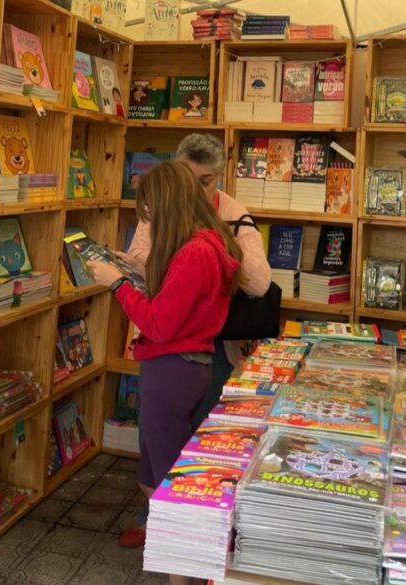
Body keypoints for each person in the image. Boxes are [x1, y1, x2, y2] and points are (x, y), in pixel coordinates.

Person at [88, 160, 242, 585]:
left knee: (171, 488)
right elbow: (178, 298)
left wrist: (116, 285)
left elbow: (158, 323)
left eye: (150, 211)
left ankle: (183, 574)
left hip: (171, 369)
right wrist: (134, 271)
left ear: (168, 205)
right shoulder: (204, 244)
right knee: (157, 476)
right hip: (183, 366)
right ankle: (182, 563)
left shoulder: (194, 251)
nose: (148, 219)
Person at [115, 133, 271, 548]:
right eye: (189, 178)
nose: (196, 189)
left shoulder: (232, 218)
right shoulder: (161, 213)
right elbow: (138, 258)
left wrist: (206, 244)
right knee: (156, 439)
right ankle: (160, 525)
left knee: (198, 440)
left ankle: (191, 539)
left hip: (207, 346)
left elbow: (258, 281)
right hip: (167, 344)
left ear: (218, 178)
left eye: (206, 180)